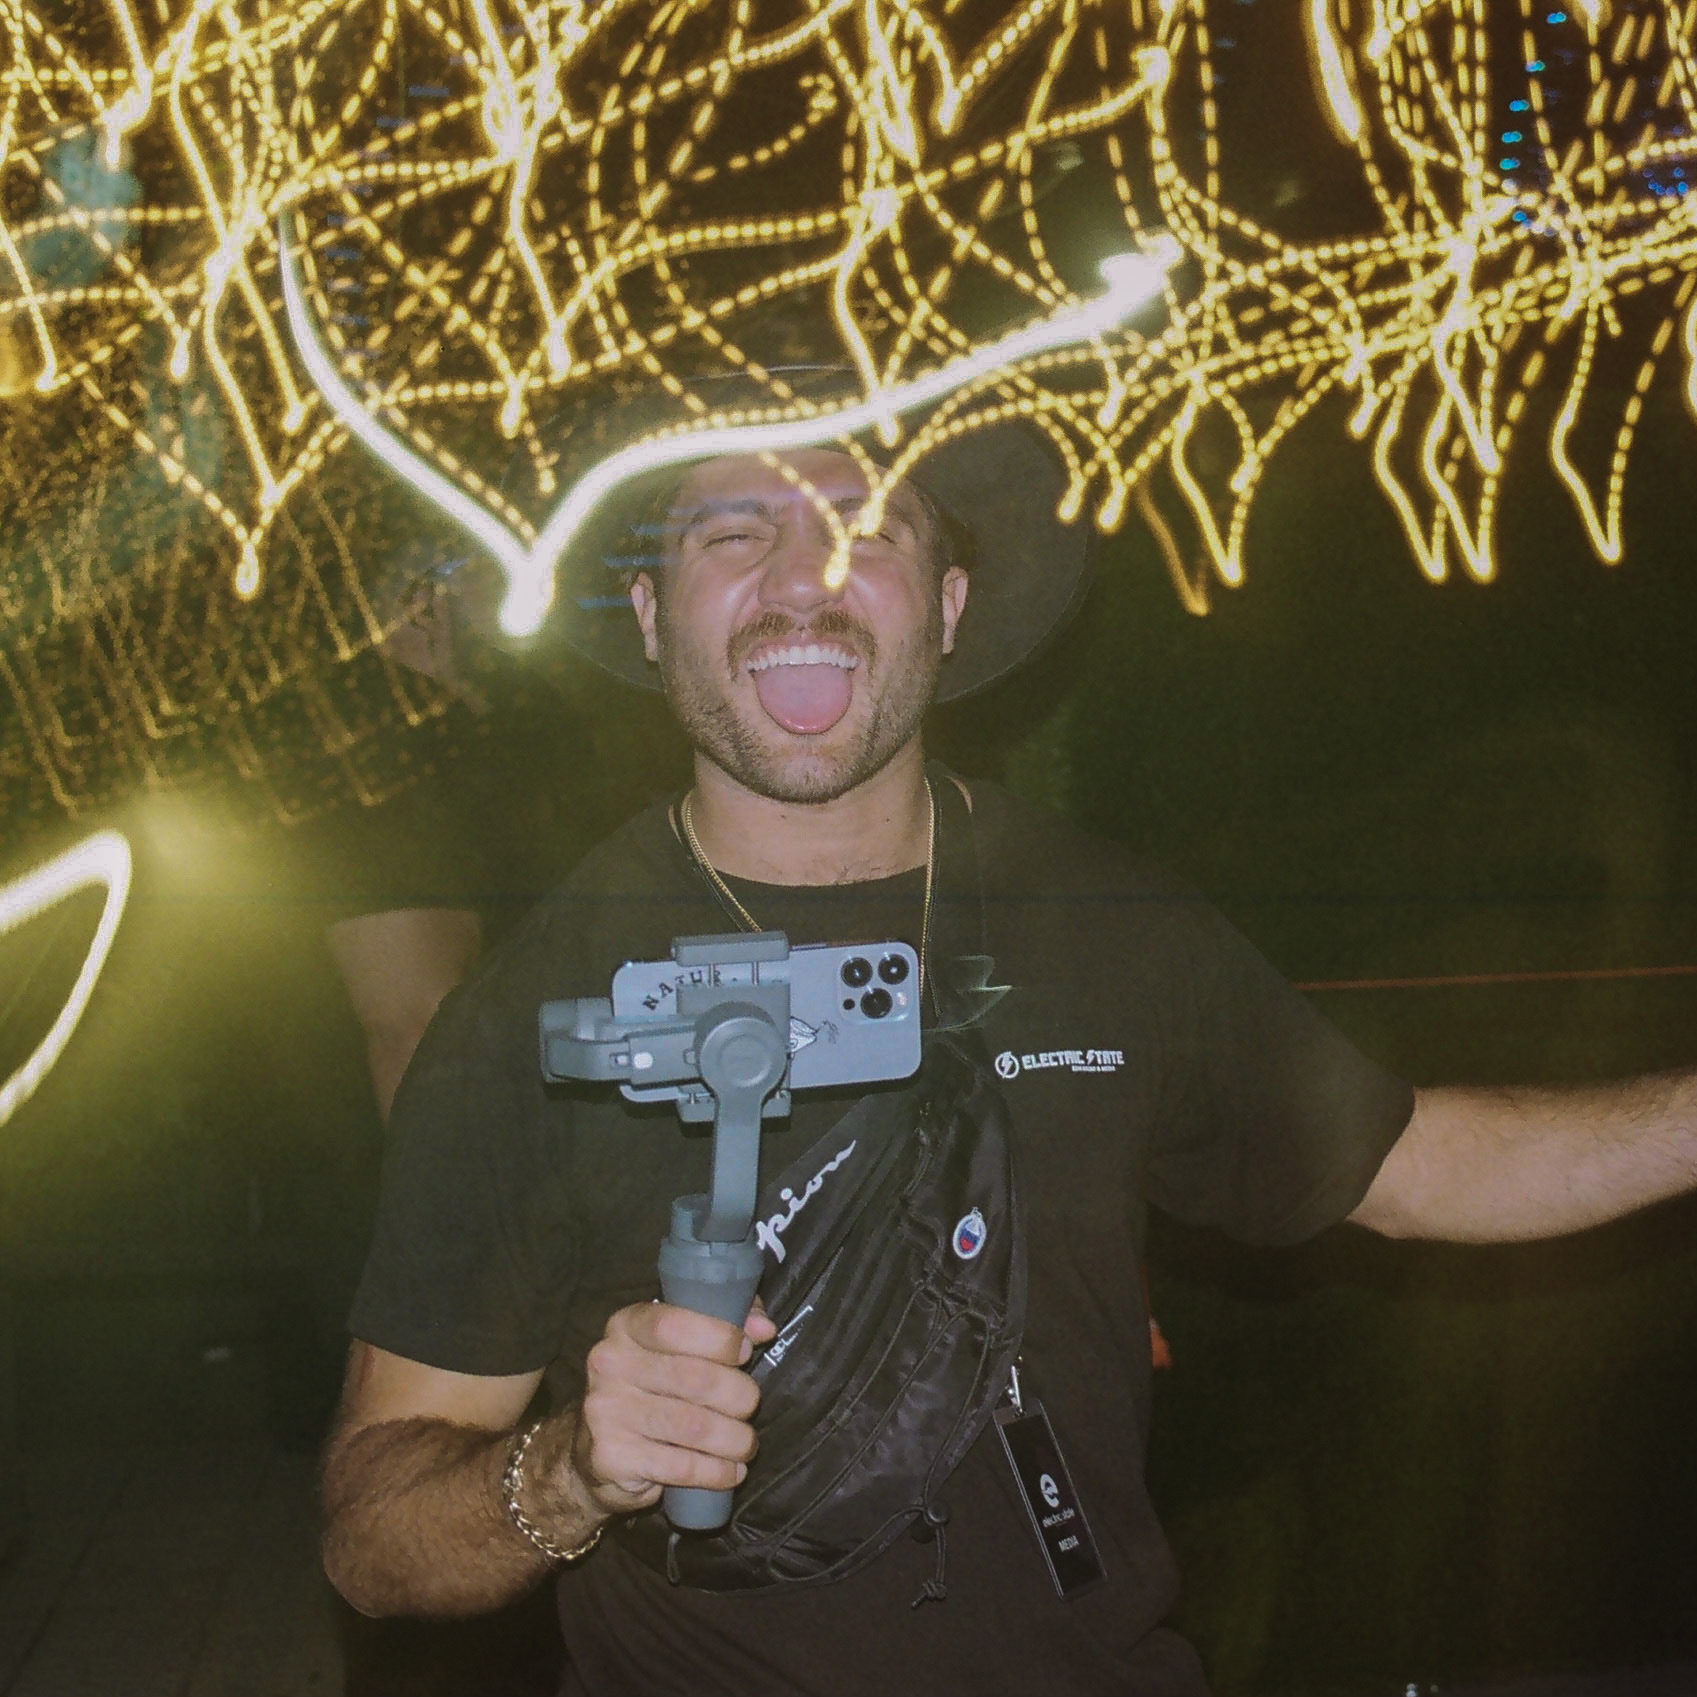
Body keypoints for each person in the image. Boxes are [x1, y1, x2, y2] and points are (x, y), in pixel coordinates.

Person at [317, 417, 1697, 1695]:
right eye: (731, 531)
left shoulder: (1107, 922)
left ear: (952, 609)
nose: (805, 577)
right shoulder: (533, 1012)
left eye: (868, 527)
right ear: (648, 617)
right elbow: (372, 1541)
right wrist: (568, 1474)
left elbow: (1408, 1163)